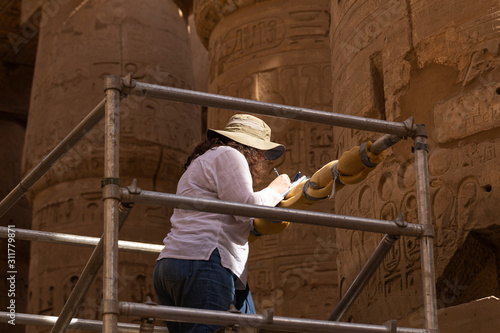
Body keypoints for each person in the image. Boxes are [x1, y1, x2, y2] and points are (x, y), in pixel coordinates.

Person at [153, 114, 290, 333]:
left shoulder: (204, 161)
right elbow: (244, 208)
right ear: (250, 147)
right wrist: (276, 189)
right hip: (203, 261)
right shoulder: (229, 154)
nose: (264, 159)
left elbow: (223, 213)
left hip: (175, 264)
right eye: (262, 152)